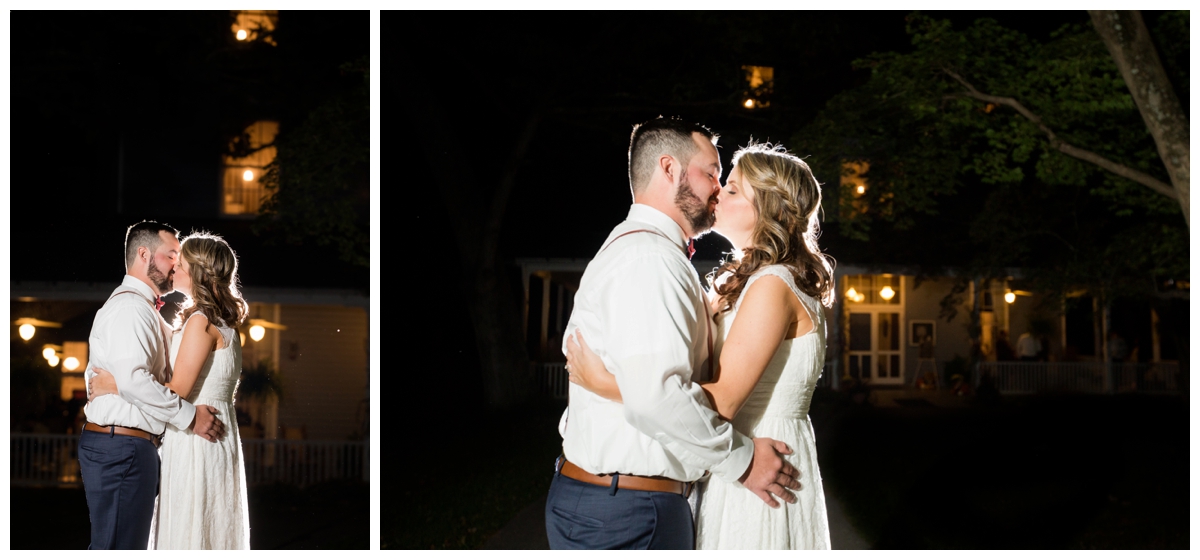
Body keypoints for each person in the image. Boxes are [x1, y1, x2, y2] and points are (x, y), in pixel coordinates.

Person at [544, 118, 803, 550]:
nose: (718, 188)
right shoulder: (651, 259)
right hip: (630, 512)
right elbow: (656, 396)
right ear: (669, 169)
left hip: (611, 502)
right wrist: (742, 462)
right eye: (711, 173)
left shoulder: (640, 249)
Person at [89, 231, 250, 549]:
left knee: (190, 529)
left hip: (196, 438)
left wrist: (114, 383)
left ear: (197, 272)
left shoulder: (201, 322)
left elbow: (177, 390)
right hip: (217, 434)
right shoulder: (223, 324)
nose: (174, 267)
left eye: (181, 263)